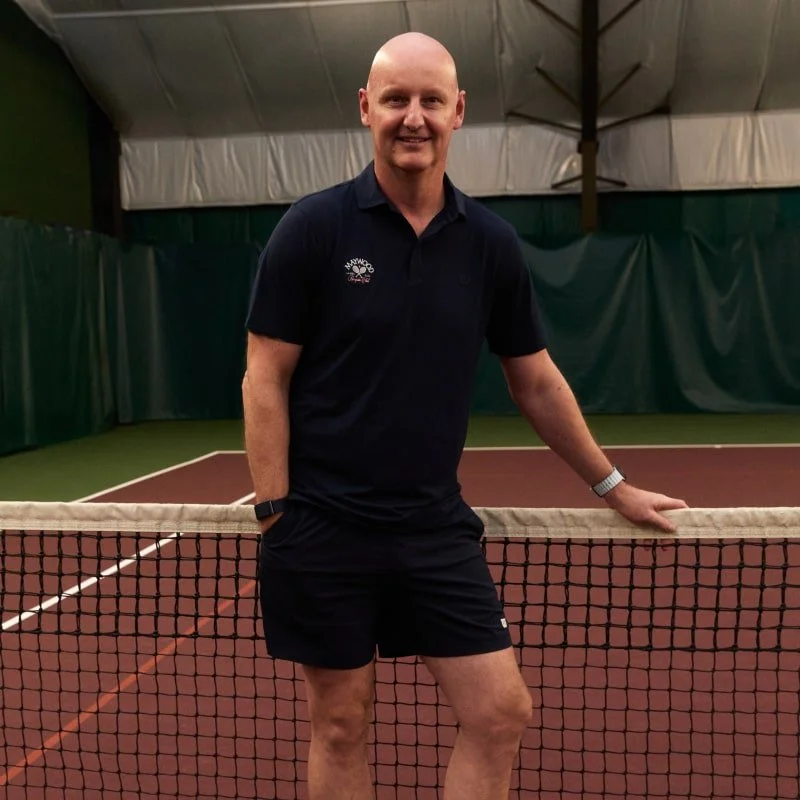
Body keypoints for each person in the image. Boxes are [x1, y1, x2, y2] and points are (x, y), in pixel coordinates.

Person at [242, 31, 687, 800]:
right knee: (341, 724)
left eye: (429, 101)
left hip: (432, 530)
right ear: (365, 109)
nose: (412, 117)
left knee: (500, 710)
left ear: (458, 113)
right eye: (395, 100)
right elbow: (264, 376)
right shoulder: (312, 229)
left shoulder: (489, 244)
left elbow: (537, 382)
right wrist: (278, 508)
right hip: (323, 528)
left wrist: (612, 484)